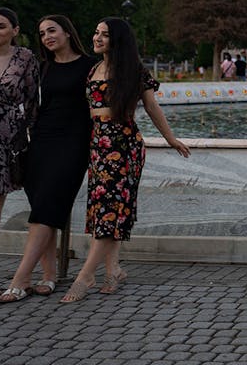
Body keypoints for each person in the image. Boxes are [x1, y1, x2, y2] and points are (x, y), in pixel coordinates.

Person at [59, 17, 191, 303]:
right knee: (104, 208)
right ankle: (113, 270)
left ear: (117, 39)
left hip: (124, 145)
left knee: (111, 208)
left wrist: (170, 139)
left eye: (104, 35)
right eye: (96, 32)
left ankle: (86, 276)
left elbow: (152, 106)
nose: (97, 38)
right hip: (97, 146)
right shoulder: (93, 69)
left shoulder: (133, 71)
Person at [0, 15, 95, 303]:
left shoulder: (91, 66)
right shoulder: (43, 67)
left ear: (67, 32)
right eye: (42, 33)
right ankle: (49, 275)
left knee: (46, 207)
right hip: (40, 142)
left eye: (52, 30)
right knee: (44, 207)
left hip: (74, 144)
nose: (47, 37)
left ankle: (20, 278)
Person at [0, 8, 40, 298]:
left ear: (15, 30)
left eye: (1, 25)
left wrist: (34, 138)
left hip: (8, 139)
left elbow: (33, 101)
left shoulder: (25, 58)